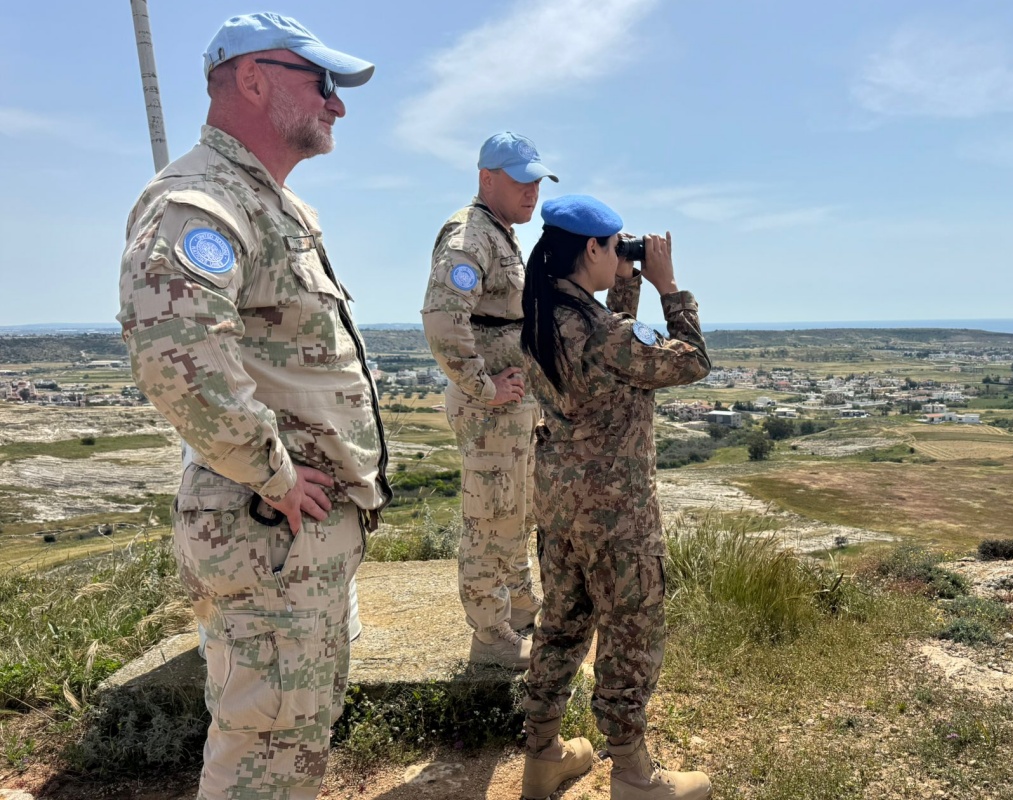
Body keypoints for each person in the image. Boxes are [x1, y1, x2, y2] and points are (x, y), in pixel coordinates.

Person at [116, 12, 390, 799]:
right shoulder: (198, 201)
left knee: (292, 739)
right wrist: (274, 475)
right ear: (253, 78)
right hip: (267, 528)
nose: (338, 104)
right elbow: (178, 358)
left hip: (294, 536)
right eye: (324, 82)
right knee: (264, 752)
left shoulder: (278, 206)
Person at [519, 195, 713, 800]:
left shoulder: (542, 317)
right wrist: (669, 287)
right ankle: (633, 776)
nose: (623, 254)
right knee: (630, 640)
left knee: (561, 627)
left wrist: (624, 285)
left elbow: (609, 349)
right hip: (618, 519)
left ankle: (543, 755)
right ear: (592, 249)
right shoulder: (605, 335)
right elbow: (692, 362)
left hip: (560, 511)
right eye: (615, 246)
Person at [421, 132, 556, 670]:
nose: (532, 191)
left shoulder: (500, 234)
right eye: (521, 180)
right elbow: (440, 318)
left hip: (512, 409)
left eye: (537, 181)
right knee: (488, 517)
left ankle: (519, 605)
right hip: (489, 411)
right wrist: (483, 385)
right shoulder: (469, 237)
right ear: (487, 179)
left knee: (515, 510)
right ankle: (490, 633)